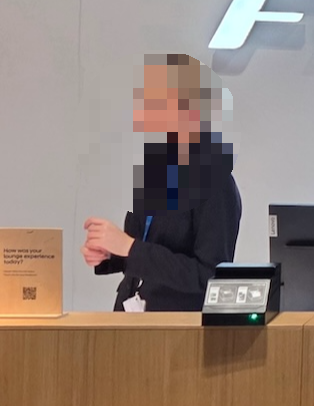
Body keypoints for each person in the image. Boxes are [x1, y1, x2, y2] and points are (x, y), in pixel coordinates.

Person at [84, 54, 242, 312]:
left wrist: (129, 247)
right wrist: (111, 254)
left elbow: (210, 276)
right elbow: (144, 251)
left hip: (176, 327)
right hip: (131, 319)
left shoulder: (217, 184)